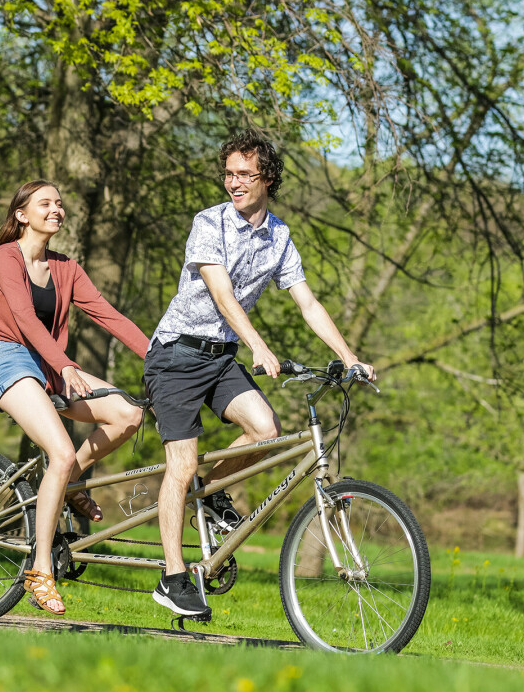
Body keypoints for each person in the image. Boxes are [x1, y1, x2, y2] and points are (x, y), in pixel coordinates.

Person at [143, 129, 376, 616]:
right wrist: (259, 346)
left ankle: (210, 493)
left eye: (244, 174)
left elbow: (307, 302)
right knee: (181, 466)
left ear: (267, 177)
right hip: (177, 355)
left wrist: (349, 356)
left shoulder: (279, 236)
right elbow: (223, 295)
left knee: (265, 429)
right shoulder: (209, 223)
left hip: (220, 356)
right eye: (228, 173)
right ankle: (172, 578)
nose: (234, 182)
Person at [0, 179, 149, 616]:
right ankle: (39, 567)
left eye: (59, 203)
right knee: (59, 450)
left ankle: (71, 480)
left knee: (127, 414)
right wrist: (66, 364)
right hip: (10, 361)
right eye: (45, 203)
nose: (56, 209)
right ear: (21, 214)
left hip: (50, 364)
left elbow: (107, 314)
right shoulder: (5, 257)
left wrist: (159, 356)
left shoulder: (66, 267)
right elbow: (21, 318)